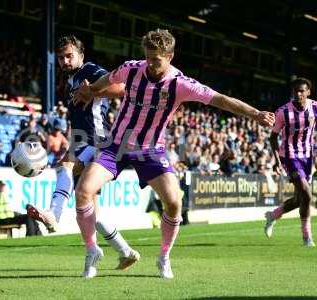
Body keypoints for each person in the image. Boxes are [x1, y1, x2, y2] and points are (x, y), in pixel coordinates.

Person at [74, 29, 275, 278]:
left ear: (170, 56)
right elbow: (108, 80)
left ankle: (164, 257)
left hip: (150, 149)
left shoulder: (181, 84)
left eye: (156, 60)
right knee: (83, 190)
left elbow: (221, 100)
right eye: (148, 57)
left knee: (174, 202)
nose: (150, 64)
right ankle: (92, 251)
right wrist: (91, 89)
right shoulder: (131, 68)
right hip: (117, 144)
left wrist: (255, 114)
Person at [27, 35, 140, 271]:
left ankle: (54, 215)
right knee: (90, 212)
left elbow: (121, 88)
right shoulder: (71, 80)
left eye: (69, 56)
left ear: (81, 55)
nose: (65, 61)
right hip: (82, 139)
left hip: (97, 139)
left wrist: (94, 91)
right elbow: (80, 115)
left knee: (65, 167)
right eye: (61, 58)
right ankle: (125, 252)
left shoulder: (89, 70)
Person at [264, 77, 315, 247]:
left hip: (307, 157)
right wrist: (277, 161)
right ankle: (307, 237)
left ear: (308, 92)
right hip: (290, 156)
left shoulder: (314, 107)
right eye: (296, 91)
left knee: (300, 199)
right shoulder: (283, 112)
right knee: (307, 194)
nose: (298, 94)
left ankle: (273, 215)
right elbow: (272, 137)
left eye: (302, 91)